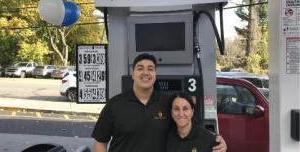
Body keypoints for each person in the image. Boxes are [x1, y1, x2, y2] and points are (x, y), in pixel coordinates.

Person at [92, 53, 227, 152]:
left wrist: (216, 139)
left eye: (150, 69)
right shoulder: (114, 105)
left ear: (155, 75)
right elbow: (100, 142)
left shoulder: (167, 103)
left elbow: (190, 126)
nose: (146, 72)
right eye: (140, 68)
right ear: (133, 74)